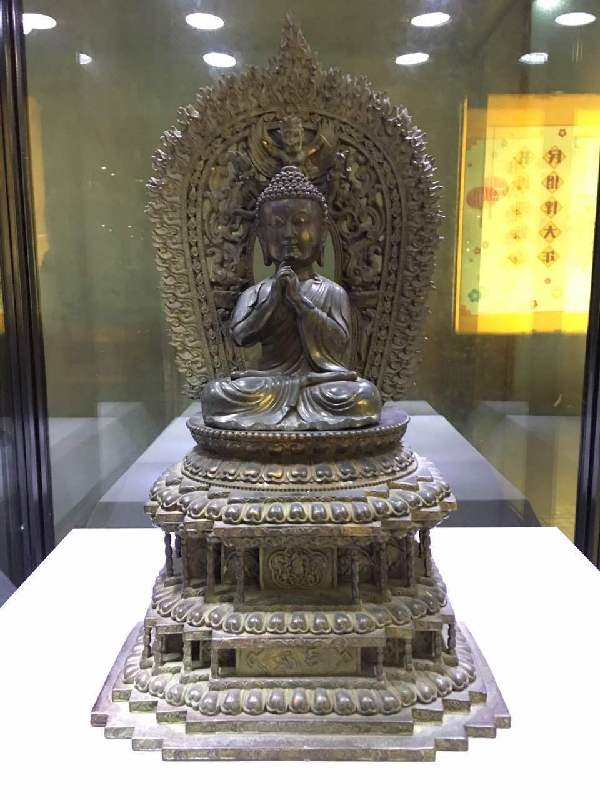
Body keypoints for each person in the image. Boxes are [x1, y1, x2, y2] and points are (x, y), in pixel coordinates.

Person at [201, 166, 381, 430]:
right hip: (267, 385)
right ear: (263, 239)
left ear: (321, 235)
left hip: (319, 385)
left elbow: (339, 343)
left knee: (364, 395)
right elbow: (240, 336)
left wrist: (300, 303)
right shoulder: (256, 293)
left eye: (300, 222)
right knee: (215, 394)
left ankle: (294, 414)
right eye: (277, 224)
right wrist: (272, 299)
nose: (288, 233)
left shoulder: (332, 292)